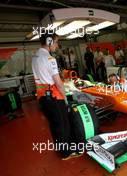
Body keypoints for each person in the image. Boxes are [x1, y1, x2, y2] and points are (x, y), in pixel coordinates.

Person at [32, 31, 82, 160]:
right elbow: (58, 83)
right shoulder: (50, 58)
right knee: (63, 123)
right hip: (53, 96)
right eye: (56, 42)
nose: (57, 45)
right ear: (49, 42)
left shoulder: (36, 56)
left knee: (54, 123)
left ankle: (59, 146)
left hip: (43, 96)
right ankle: (66, 153)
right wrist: (65, 97)